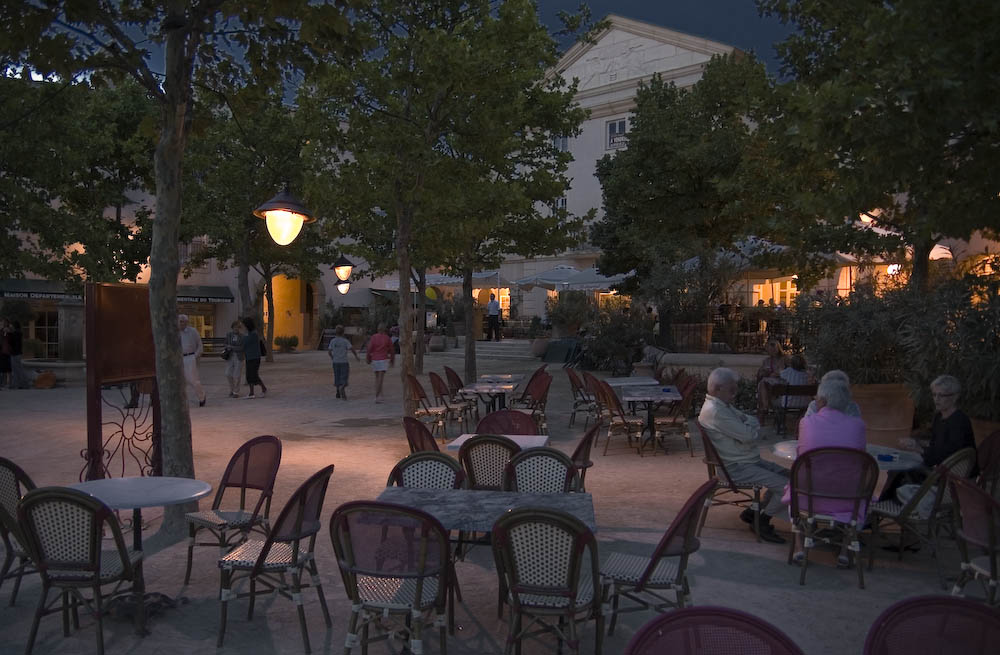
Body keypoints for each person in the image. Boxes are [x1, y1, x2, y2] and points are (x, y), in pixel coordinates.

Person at [782, 379, 868, 566]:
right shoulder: (858, 425)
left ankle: (799, 548)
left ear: (821, 400)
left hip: (809, 497)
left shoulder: (807, 423)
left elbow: (801, 456)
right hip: (847, 498)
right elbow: (861, 460)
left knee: (793, 487)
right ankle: (844, 552)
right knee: (861, 490)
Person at [699, 367, 789, 544]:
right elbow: (751, 435)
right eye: (731, 389)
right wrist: (748, 429)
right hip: (736, 468)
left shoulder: (722, 405)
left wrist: (747, 427)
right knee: (787, 487)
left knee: (788, 475)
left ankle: (754, 512)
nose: (735, 393)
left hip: (747, 461)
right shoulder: (717, 411)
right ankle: (762, 521)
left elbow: (752, 421)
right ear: (718, 389)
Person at [882, 375, 978, 509]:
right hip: (943, 471)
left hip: (953, 479)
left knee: (900, 470)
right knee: (898, 468)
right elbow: (935, 445)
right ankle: (891, 506)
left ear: (955, 397)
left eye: (941, 396)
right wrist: (915, 443)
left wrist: (918, 448)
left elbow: (944, 455)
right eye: (934, 395)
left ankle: (890, 508)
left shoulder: (959, 422)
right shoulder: (939, 417)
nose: (936, 400)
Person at [178, 314, 206, 406]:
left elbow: (200, 345)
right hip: (179, 358)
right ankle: (182, 401)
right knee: (180, 381)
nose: (180, 323)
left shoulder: (192, 331)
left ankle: (201, 397)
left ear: (186, 322)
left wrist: (195, 356)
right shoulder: (175, 332)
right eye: (179, 321)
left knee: (193, 380)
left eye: (182, 321)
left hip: (190, 357)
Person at [756, 338, 786, 421]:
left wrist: (776, 373)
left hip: (781, 384)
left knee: (762, 384)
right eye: (770, 348)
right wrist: (763, 372)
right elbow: (760, 373)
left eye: (774, 348)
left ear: (778, 348)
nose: (772, 350)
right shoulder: (766, 361)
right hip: (769, 384)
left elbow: (786, 372)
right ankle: (765, 408)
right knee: (762, 384)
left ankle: (764, 409)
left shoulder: (784, 359)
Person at [328, 325, 360, 400]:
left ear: (335, 333)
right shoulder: (345, 341)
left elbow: (329, 352)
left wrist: (333, 358)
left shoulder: (332, 341)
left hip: (335, 362)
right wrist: (356, 356)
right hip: (344, 362)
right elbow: (352, 349)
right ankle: (342, 387)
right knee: (344, 376)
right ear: (343, 333)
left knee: (337, 376)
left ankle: (338, 392)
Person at [367, 323, 394, 403]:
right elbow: (392, 350)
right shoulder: (387, 338)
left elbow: (369, 348)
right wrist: (392, 360)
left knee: (377, 378)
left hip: (375, 358)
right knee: (381, 378)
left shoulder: (374, 337)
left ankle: (380, 394)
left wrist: (368, 357)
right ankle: (377, 396)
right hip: (383, 358)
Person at [242, 317, 267, 398]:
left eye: (244, 325)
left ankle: (263, 388)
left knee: (254, 375)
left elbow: (245, 342)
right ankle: (251, 392)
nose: (243, 326)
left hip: (254, 357)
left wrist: (242, 334)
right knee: (249, 375)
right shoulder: (249, 333)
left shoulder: (253, 334)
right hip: (249, 357)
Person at [223, 320, 246, 398]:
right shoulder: (229, 335)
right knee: (228, 373)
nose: (236, 329)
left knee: (237, 375)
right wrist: (227, 347)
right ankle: (232, 389)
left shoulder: (242, 336)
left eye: (238, 327)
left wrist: (232, 347)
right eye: (235, 327)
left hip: (239, 357)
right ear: (232, 327)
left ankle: (236, 392)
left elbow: (242, 347)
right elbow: (225, 343)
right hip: (230, 356)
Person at [0, 319, 11, 389]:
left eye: (4, 322)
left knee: (7, 368)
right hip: (2, 351)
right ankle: (3, 383)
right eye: (3, 322)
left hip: (7, 351)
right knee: (3, 368)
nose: (3, 323)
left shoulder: (8, 330)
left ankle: (7, 383)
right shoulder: (1, 330)